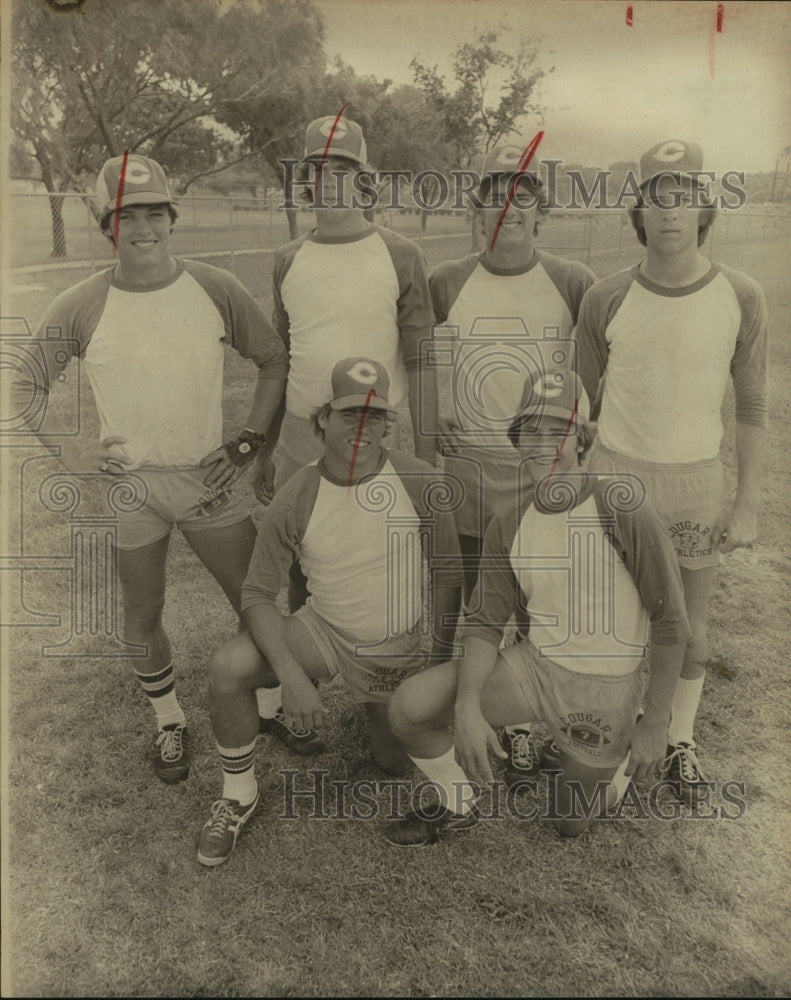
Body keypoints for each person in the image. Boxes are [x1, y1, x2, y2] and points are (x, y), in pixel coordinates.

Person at [8, 152, 306, 784]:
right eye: (126, 216)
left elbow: (274, 359)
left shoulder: (214, 287)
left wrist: (249, 441)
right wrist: (73, 451)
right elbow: (26, 387)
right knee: (142, 613)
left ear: (172, 218)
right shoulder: (81, 303)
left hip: (208, 480)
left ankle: (274, 704)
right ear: (106, 226)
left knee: (252, 599)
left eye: (154, 213)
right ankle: (169, 720)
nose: (142, 228)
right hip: (132, 489)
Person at [383, 369, 691, 844]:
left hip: (605, 688)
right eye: (532, 430)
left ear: (582, 439)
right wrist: (467, 707)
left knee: (569, 824)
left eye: (558, 431)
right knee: (410, 707)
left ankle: (617, 774)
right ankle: (457, 802)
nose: (544, 444)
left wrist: (656, 722)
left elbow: (671, 624)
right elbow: (485, 623)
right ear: (517, 439)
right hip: (534, 668)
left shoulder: (621, 506)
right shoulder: (509, 520)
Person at [197, 358, 461, 867]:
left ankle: (384, 706)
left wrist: (437, 660)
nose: (362, 430)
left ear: (388, 425)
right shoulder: (297, 495)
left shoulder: (422, 482)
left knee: (393, 763)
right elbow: (257, 593)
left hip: (393, 643)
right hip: (324, 629)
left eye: (376, 418)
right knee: (228, 667)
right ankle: (238, 794)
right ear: (322, 420)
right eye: (347, 416)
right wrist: (292, 678)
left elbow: (449, 577)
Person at [575, 140, 768, 802]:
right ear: (639, 211)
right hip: (616, 478)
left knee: (688, 624)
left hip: (694, 481)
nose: (669, 211)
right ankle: (614, 725)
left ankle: (677, 735)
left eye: (682, 197)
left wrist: (744, 504)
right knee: (615, 616)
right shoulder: (605, 296)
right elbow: (579, 402)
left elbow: (749, 407)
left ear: (702, 209)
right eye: (656, 197)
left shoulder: (740, 293)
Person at [430, 142, 597, 781]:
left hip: (539, 467)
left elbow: (593, 368)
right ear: (476, 215)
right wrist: (434, 411)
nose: (508, 209)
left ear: (540, 214)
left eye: (522, 197)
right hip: (472, 463)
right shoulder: (447, 278)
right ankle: (461, 706)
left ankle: (527, 720)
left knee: (533, 592)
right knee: (475, 590)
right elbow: (421, 349)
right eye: (495, 197)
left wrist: (580, 439)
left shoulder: (572, 279)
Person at [254, 114, 438, 505]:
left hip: (374, 433)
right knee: (300, 555)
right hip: (301, 437)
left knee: (378, 552)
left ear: (364, 180)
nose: (330, 182)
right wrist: (265, 452)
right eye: (318, 170)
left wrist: (424, 462)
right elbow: (280, 363)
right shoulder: (287, 259)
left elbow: (422, 363)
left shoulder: (401, 255)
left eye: (343, 170)